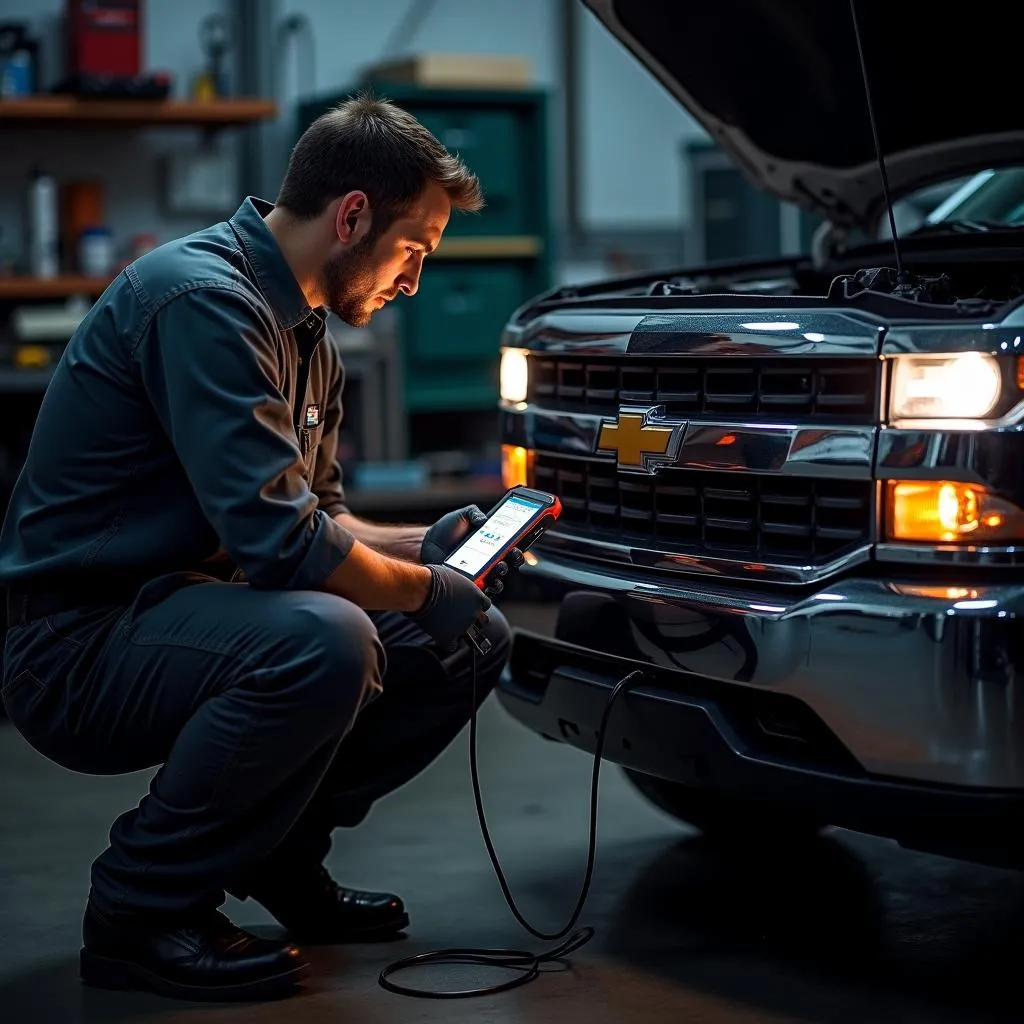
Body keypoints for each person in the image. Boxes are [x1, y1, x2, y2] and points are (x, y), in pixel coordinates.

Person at [0, 93, 520, 1002]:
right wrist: (418, 589)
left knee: (464, 639)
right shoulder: (201, 300)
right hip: (80, 642)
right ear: (352, 215)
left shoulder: (306, 336)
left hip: (187, 614)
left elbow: (320, 517)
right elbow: (286, 549)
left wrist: (428, 547)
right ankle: (139, 910)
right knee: (325, 637)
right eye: (415, 250)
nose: (414, 280)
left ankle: (278, 858)